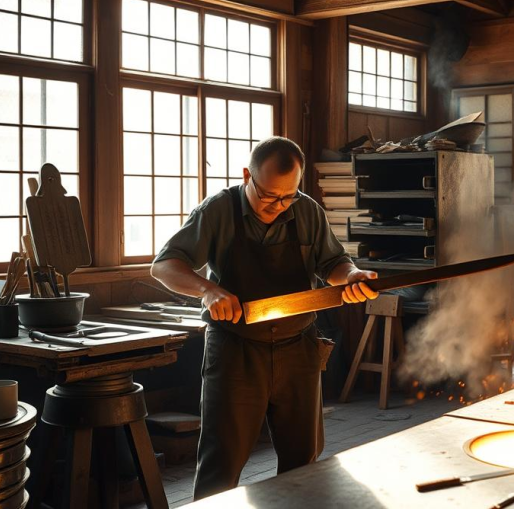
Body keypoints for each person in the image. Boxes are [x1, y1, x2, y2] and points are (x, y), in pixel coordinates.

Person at [151, 136, 378, 499]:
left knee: (303, 463)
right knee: (221, 464)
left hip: (298, 346)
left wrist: (350, 277)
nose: (279, 205)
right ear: (247, 175)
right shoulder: (218, 211)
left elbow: (333, 262)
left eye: (288, 196)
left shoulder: (306, 211)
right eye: (270, 196)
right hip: (235, 351)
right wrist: (208, 290)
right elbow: (164, 266)